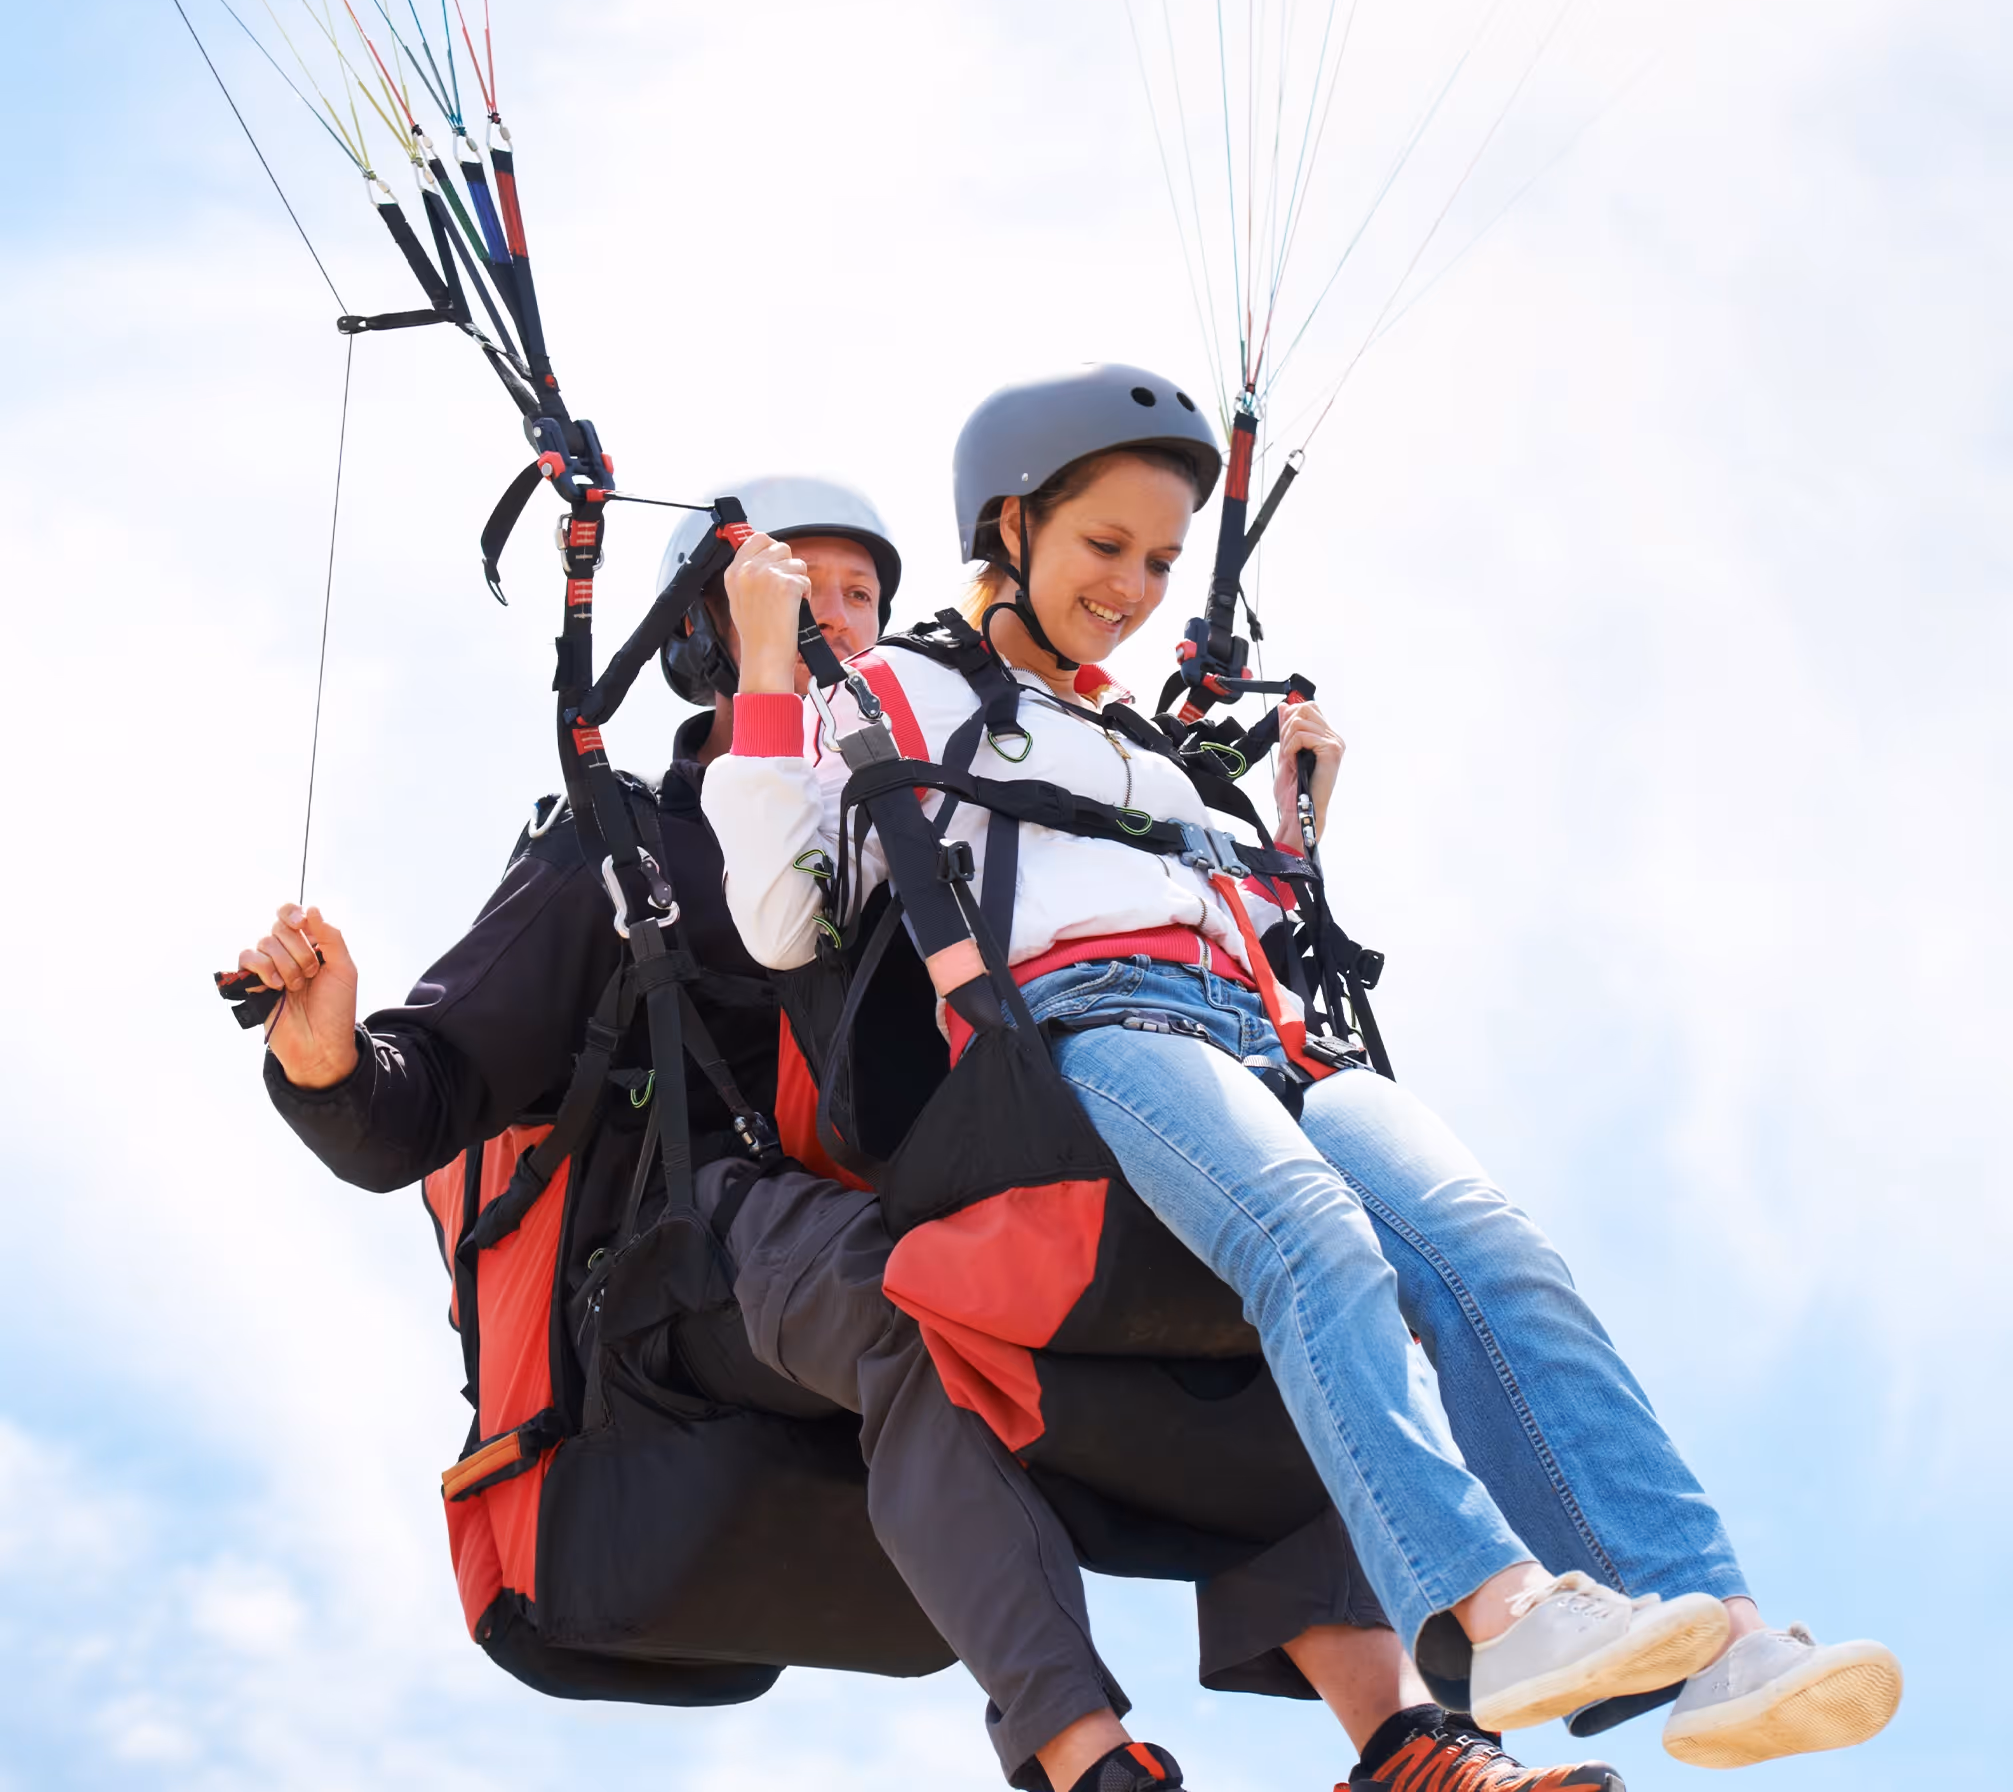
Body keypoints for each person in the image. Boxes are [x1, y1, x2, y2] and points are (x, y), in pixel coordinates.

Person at [235, 472, 1610, 1792]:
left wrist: (1266, 841)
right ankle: (1084, 1753)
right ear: (708, 626)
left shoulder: (923, 809)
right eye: (795, 587)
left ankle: (1407, 1745)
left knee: (1248, 1272)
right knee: (896, 1295)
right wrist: (325, 1053)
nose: (837, 617)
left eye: (861, 596)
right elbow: (411, 1106)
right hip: (707, 1244)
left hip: (940, 1180)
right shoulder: (633, 846)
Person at [700, 366, 1903, 1771]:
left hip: (1265, 1032)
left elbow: (1256, 930)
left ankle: (1716, 1635)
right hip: (1098, 1029)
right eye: (1106, 548)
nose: (1137, 587)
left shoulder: (1137, 739)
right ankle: (1492, 1604)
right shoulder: (902, 686)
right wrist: (774, 666)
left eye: (1157, 559)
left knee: (1497, 1260)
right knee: (1317, 1245)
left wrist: (1289, 837)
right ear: (1012, 525)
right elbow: (783, 917)